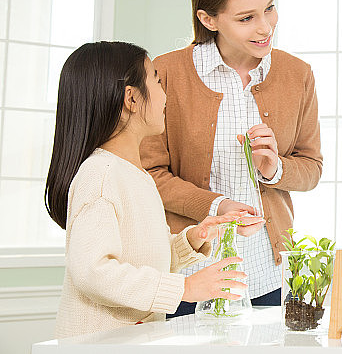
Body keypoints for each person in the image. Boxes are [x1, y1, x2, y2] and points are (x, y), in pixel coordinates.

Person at [140, 0, 323, 316]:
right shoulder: (166, 72)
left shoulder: (297, 74)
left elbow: (311, 167)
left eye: (269, 8)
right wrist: (216, 206)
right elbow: (151, 175)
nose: (265, 27)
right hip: (192, 270)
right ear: (209, 19)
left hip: (267, 273)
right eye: (246, 18)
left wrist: (274, 169)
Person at [45, 42, 250, 338]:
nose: (164, 95)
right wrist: (186, 288)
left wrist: (191, 239)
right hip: (97, 343)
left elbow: (141, 255)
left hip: (131, 340)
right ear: (131, 98)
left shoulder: (133, 174)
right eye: (156, 80)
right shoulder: (101, 174)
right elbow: (93, 271)